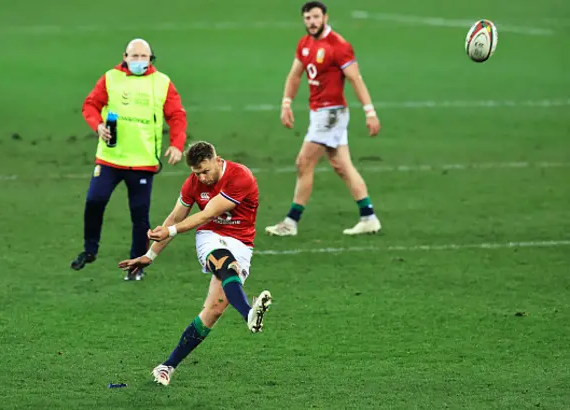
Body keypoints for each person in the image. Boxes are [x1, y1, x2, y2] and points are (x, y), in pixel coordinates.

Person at [118, 141, 273, 386]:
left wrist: (170, 231)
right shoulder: (193, 183)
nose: (202, 177)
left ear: (216, 160)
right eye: (196, 173)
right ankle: (249, 315)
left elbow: (208, 212)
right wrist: (150, 255)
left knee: (213, 310)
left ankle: (166, 365)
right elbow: (176, 217)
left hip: (241, 242)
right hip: (210, 237)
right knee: (225, 263)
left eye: (205, 171)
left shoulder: (239, 176)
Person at [71, 38, 187, 281]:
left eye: (143, 57)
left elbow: (176, 115)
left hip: (142, 161)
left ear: (150, 58)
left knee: (139, 215)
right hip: (109, 158)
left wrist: (177, 144)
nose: (138, 61)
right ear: (124, 56)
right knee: (94, 200)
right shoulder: (111, 78)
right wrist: (98, 125)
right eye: (134, 56)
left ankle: (136, 266)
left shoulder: (161, 82)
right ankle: (90, 250)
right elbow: (90, 105)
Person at [265, 1, 383, 237]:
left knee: (303, 162)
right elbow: (294, 75)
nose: (312, 22)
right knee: (342, 167)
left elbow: (355, 79)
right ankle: (368, 217)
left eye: (316, 17)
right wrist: (286, 103)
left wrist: (370, 112)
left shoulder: (338, 46)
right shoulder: (305, 44)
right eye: (308, 18)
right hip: (318, 113)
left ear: (325, 17)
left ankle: (291, 222)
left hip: (332, 114)